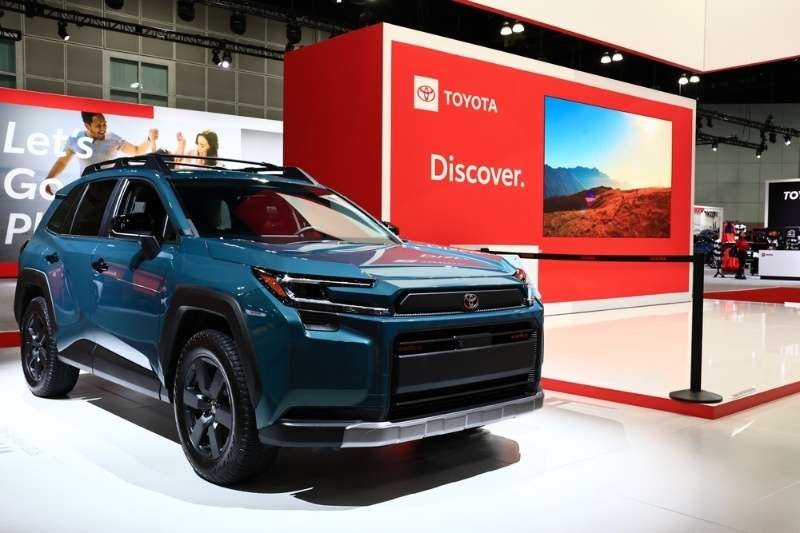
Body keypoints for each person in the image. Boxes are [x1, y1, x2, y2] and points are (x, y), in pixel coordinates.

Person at [46, 111, 158, 183]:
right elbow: (62, 162)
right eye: (98, 126)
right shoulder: (75, 139)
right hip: (86, 186)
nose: (103, 128)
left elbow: (136, 150)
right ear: (87, 126)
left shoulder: (113, 139)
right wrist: (49, 179)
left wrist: (149, 139)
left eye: (104, 124)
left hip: (109, 186)